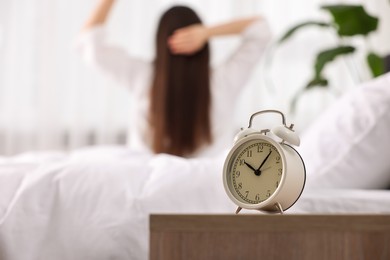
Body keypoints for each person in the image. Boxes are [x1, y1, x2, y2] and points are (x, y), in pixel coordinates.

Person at [75, 0, 272, 158]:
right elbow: (261, 29)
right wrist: (207, 33)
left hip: (146, 196)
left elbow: (90, 46)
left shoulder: (142, 76)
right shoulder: (224, 81)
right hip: (206, 196)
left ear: (160, 42)